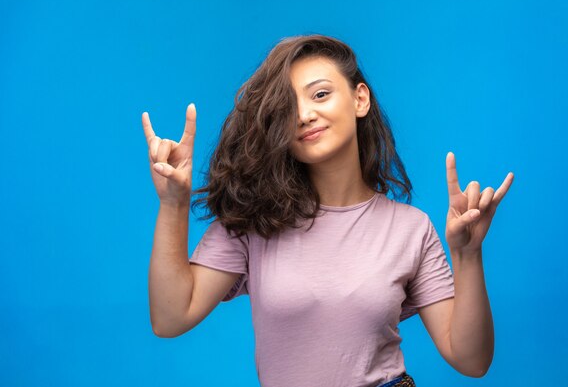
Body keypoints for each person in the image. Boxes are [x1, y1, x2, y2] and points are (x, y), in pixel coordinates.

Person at [142, 34, 514, 387]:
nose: (304, 115)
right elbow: (171, 317)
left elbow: (472, 360)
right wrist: (173, 203)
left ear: (359, 100)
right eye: (288, 107)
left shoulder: (411, 229)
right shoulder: (256, 222)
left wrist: (468, 255)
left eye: (320, 94)